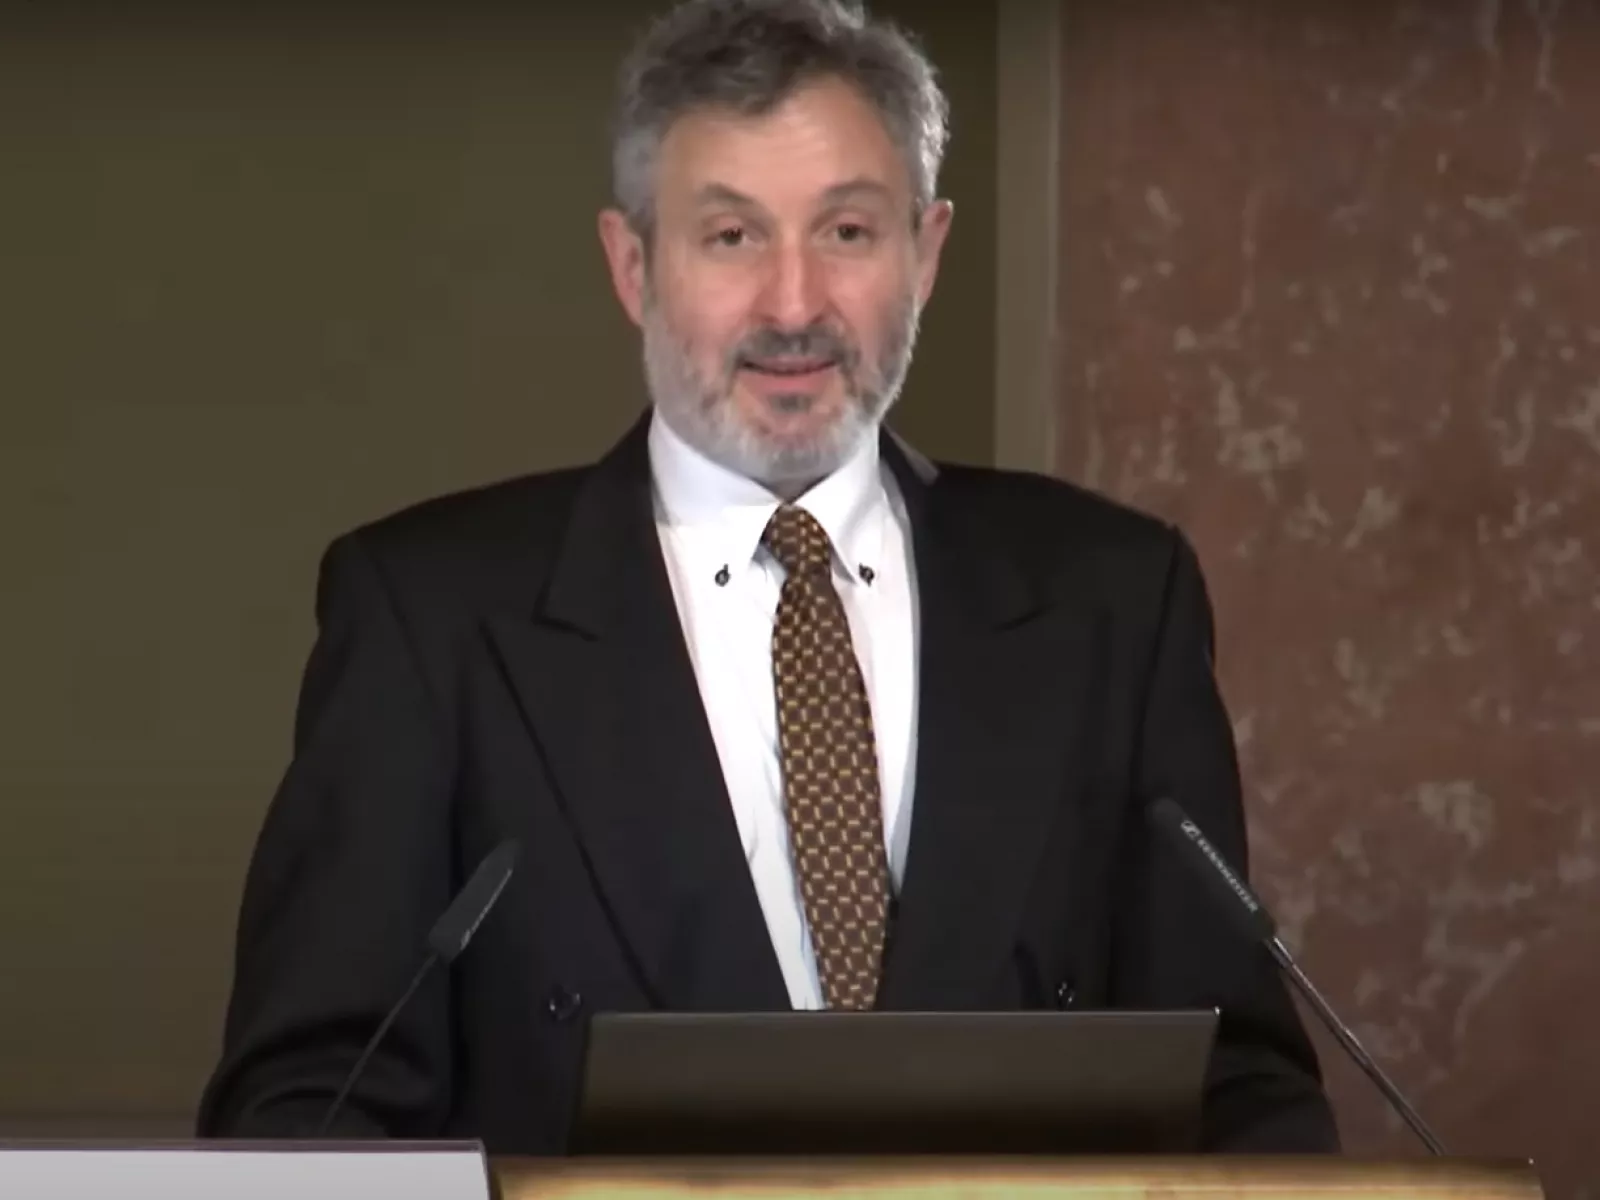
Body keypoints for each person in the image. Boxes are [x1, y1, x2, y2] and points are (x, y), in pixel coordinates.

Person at [197, 0, 1339, 1154]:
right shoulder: (429, 618)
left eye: (846, 231)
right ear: (633, 266)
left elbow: (1236, 1091)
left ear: (925, 253)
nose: (794, 308)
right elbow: (309, 1112)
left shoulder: (1115, 599)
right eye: (732, 236)